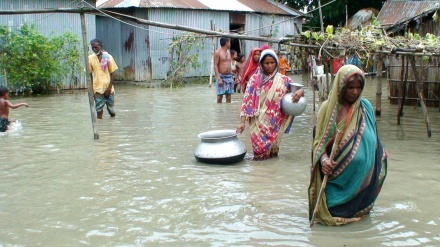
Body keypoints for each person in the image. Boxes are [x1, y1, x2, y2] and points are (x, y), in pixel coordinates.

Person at [308, 65, 388, 226]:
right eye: (351, 87)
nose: (355, 92)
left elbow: (373, 137)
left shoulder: (366, 108)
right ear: (342, 86)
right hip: (336, 174)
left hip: (362, 175)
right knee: (332, 212)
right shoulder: (327, 109)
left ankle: (359, 209)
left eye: (359, 88)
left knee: (359, 212)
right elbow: (318, 142)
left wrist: (380, 154)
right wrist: (324, 161)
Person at [236, 49, 304, 160]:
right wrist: (242, 122)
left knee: (273, 155)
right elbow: (246, 102)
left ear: (276, 63)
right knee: (259, 155)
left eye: (272, 63)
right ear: (261, 64)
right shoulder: (254, 80)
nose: (270, 66)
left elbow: (297, 90)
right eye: (266, 63)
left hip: (274, 123)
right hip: (257, 123)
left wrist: (300, 92)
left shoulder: (283, 80)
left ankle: (273, 174)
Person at [89, 38, 119, 119]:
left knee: (112, 111)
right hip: (97, 89)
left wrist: (109, 88)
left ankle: (112, 125)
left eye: (96, 47)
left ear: (101, 46)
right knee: (99, 111)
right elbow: (89, 75)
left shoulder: (108, 57)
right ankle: (101, 128)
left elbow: (112, 74)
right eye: (93, 48)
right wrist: (92, 90)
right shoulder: (90, 58)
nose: (94, 49)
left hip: (109, 88)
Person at [214, 37, 234, 103]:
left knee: (229, 96)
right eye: (229, 42)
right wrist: (219, 78)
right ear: (226, 43)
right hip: (221, 76)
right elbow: (215, 66)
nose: (230, 44)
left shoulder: (228, 52)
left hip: (229, 76)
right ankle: (220, 112)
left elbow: (229, 64)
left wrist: (232, 75)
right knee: (220, 96)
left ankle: (228, 112)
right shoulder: (217, 52)